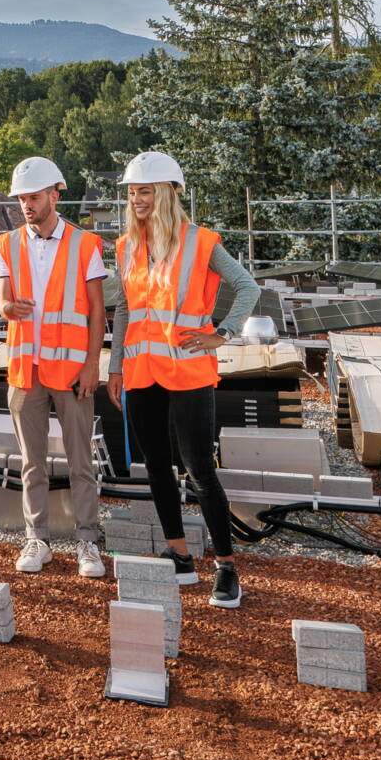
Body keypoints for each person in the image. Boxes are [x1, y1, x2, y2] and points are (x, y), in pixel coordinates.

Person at [113, 150, 260, 608]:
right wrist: (115, 365)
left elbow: (248, 286)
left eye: (144, 191)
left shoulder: (200, 242)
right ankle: (179, 557)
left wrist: (222, 334)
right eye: (132, 192)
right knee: (156, 466)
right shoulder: (126, 246)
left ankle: (225, 566)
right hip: (141, 372)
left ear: (167, 193)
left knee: (198, 469)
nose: (136, 199)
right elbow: (124, 308)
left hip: (188, 371)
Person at [0, 156, 109, 578]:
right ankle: (36, 538)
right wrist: (6, 306)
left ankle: (88, 542)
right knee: (31, 462)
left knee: (81, 462)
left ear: (54, 195)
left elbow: (97, 312)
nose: (26, 204)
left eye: (34, 197)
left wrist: (93, 363)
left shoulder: (85, 244)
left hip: (74, 371)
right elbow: (4, 302)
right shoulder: (6, 245)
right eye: (22, 198)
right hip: (25, 370)